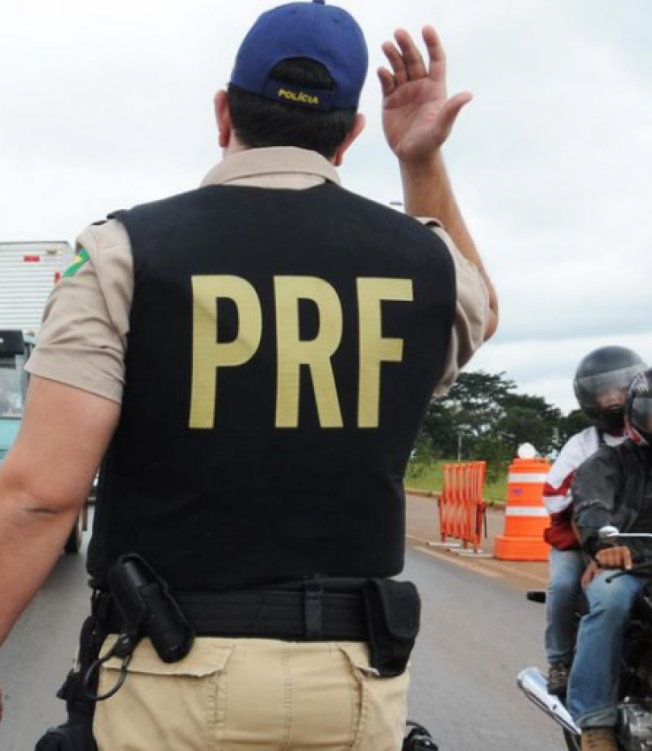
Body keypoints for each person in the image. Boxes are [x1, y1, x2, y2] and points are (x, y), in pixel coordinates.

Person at [0, 1, 498, 747]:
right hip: (354, 686)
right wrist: (420, 162)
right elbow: (479, 305)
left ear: (223, 112)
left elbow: (41, 496)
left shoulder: (121, 252)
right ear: (350, 136)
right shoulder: (426, 264)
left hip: (167, 679)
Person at [542, 346, 645, 696]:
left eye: (621, 387)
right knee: (563, 585)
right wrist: (596, 552)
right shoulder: (583, 445)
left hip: (641, 542)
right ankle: (559, 661)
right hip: (582, 539)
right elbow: (568, 505)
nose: (614, 397)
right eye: (604, 391)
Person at [568, 367, 652, 751]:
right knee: (609, 602)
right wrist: (605, 544)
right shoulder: (607, 463)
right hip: (626, 564)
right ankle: (595, 721)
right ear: (636, 414)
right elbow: (591, 506)